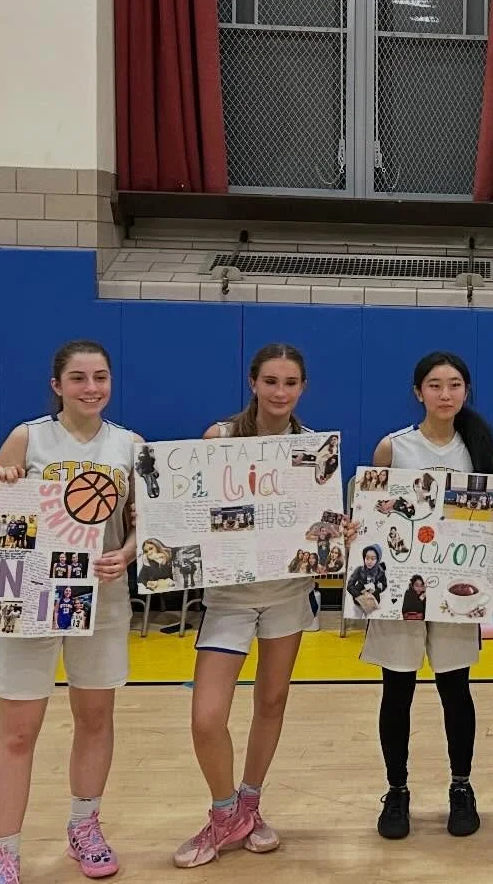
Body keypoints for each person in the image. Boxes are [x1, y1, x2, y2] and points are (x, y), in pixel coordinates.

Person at [0, 341, 141, 884]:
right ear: (57, 385)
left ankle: (84, 825)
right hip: (31, 601)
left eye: (100, 376)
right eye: (78, 378)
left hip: (103, 599)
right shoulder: (27, 438)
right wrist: (1, 486)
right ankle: (3, 851)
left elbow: (145, 521)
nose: (90, 387)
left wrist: (129, 550)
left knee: (95, 718)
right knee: (18, 731)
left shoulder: (129, 445)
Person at [174, 344, 322, 868]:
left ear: (302, 388)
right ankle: (223, 811)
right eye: (271, 381)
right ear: (253, 383)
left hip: (286, 595)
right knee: (207, 716)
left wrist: (337, 532)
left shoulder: (313, 448)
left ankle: (250, 805)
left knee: (272, 701)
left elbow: (320, 524)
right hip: (230, 597)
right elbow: (190, 507)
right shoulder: (221, 437)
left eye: (290, 383)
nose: (280, 392)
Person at [344, 351, 493, 841]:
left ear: (466, 391)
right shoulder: (394, 447)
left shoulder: (477, 446)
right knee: (398, 690)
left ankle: (461, 786)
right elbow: (368, 511)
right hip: (398, 593)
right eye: (435, 385)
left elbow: (490, 521)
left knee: (456, 689)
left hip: (454, 592)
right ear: (418, 392)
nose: (445, 394)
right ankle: (397, 791)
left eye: (455, 385)